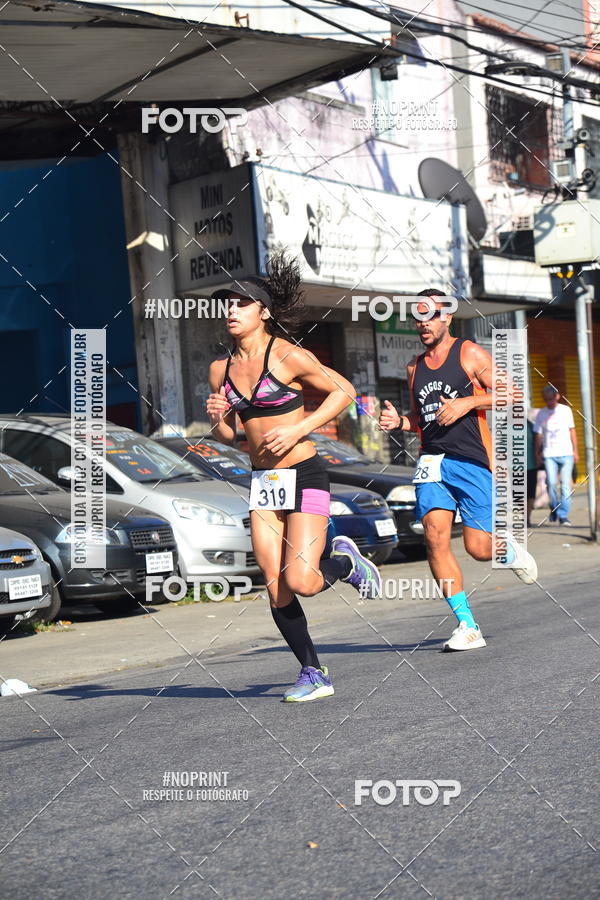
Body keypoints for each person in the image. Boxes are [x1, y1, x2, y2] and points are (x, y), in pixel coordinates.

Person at [206, 252, 382, 702]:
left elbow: (344, 390)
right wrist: (220, 419)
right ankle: (312, 671)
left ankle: (346, 563)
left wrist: (303, 427)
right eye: (226, 303)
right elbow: (231, 436)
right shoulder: (219, 370)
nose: (231, 311)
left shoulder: (286, 355)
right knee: (275, 582)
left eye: (240, 303)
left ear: (262, 312)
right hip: (263, 482)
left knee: (303, 580)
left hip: (304, 473)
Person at [379, 289, 537, 652]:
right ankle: (467, 624)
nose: (422, 323)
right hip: (432, 462)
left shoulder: (467, 352)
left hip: (472, 462)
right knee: (434, 539)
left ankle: (507, 550)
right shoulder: (413, 367)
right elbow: (422, 419)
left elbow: (512, 394)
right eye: (417, 317)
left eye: (430, 315)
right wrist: (400, 421)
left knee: (479, 549)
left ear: (447, 317)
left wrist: (468, 401)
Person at [534, 386, 578, 526]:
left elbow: (572, 431)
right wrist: (537, 454)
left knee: (565, 486)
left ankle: (563, 515)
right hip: (549, 454)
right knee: (551, 484)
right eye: (546, 400)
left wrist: (575, 450)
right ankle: (554, 506)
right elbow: (538, 436)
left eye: (551, 399)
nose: (550, 402)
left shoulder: (566, 411)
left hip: (566, 453)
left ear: (557, 396)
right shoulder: (541, 413)